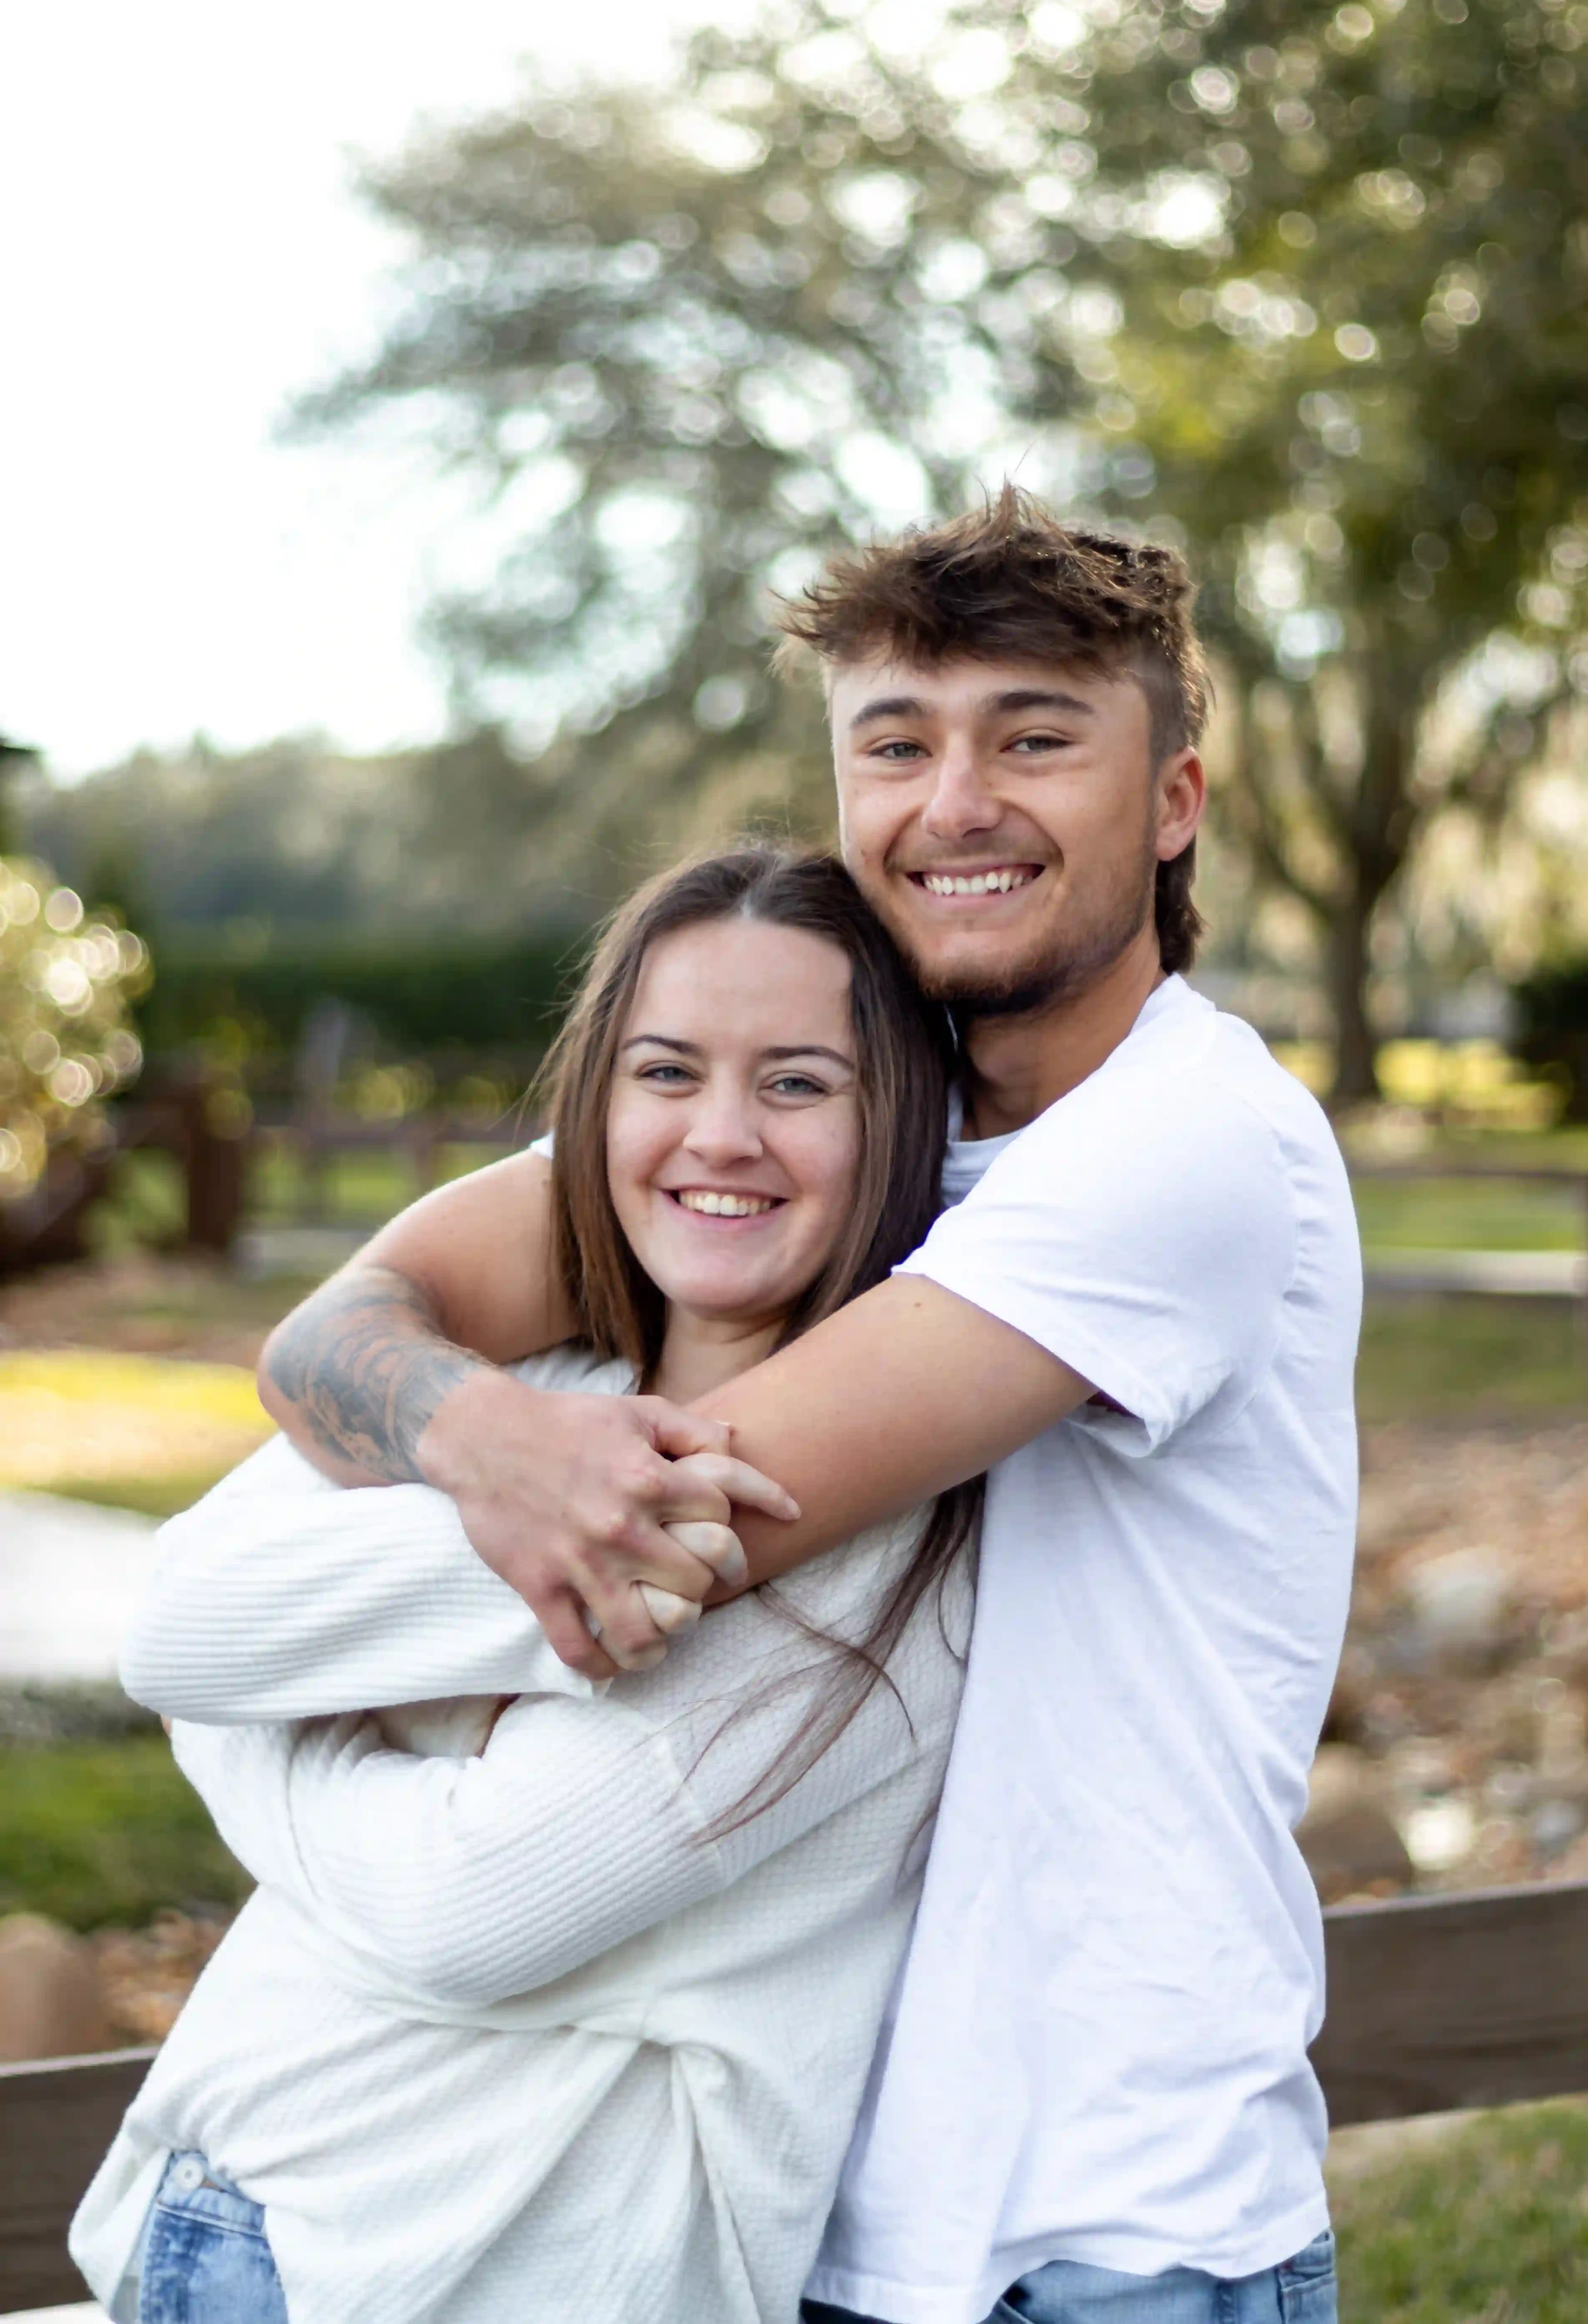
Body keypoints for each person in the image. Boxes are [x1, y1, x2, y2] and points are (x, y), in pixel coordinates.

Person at [147, 488, 1361, 2324]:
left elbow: (670, 1522)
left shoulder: (1183, 1148)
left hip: (1110, 2229)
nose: (956, 802)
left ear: (1174, 801)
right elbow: (343, 1334)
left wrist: (246, 1710)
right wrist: (482, 1435)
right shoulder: (815, 1118)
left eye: (1035, 738)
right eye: (897, 745)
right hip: (827, 2219)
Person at [73, 849, 977, 2324]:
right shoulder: (537, 1382)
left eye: (802, 1083)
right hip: (230, 2226)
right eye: (667, 1072)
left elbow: (464, 1909)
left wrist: (257, 1733)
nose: (722, 1136)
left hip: (463, 2278)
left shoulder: (864, 1550)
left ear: (899, 1126)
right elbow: (174, 1624)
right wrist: (492, 1481)